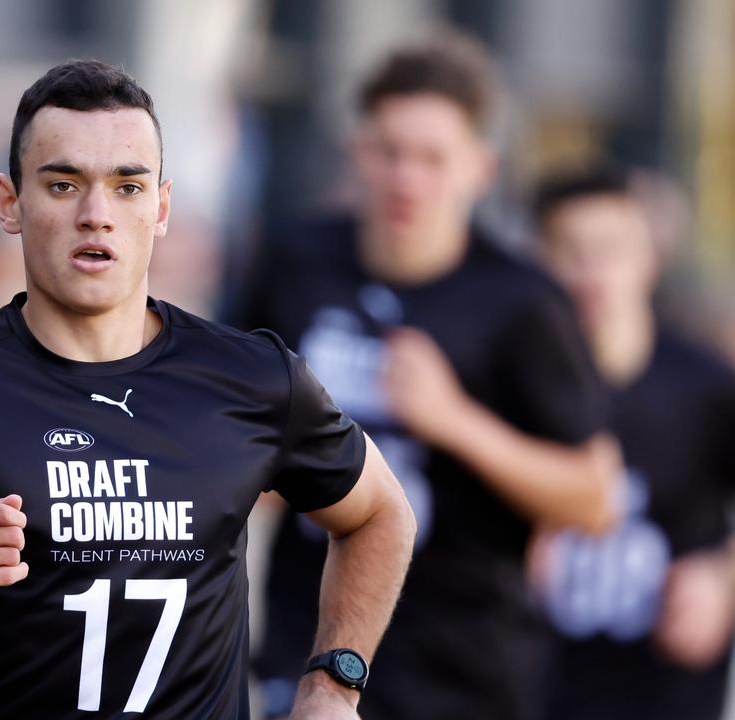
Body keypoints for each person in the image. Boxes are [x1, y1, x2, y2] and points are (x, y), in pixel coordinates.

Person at [0, 60, 416, 719]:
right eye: (63, 185)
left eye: (127, 187)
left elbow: (380, 513)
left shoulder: (251, 376)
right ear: (11, 201)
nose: (97, 215)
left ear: (161, 207)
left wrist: (334, 683)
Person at [238, 34, 618, 720]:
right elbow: (231, 431)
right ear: (358, 152)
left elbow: (593, 498)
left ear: (480, 167)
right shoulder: (297, 260)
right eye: (389, 152)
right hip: (307, 659)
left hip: (464, 674)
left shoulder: (523, 300)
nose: (406, 178)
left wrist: (455, 420)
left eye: (433, 158)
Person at [530, 168, 735, 720]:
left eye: (611, 249)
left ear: (651, 258)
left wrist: (722, 579)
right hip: (529, 691)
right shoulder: (509, 384)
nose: (592, 273)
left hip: (668, 693)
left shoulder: (705, 385)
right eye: (570, 250)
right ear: (538, 263)